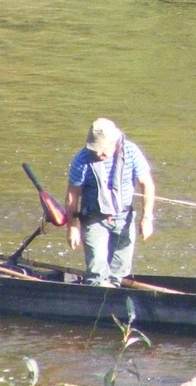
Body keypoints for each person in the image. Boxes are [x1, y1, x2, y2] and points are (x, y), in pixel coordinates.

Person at [65, 118, 156, 287]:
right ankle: (96, 299)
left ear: (113, 142)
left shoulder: (131, 152)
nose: (98, 154)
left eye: (102, 149)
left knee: (120, 272)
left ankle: (115, 299)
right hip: (94, 218)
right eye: (94, 150)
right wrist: (72, 227)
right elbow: (72, 194)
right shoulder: (82, 159)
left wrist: (147, 218)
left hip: (123, 217)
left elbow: (146, 184)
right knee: (97, 271)